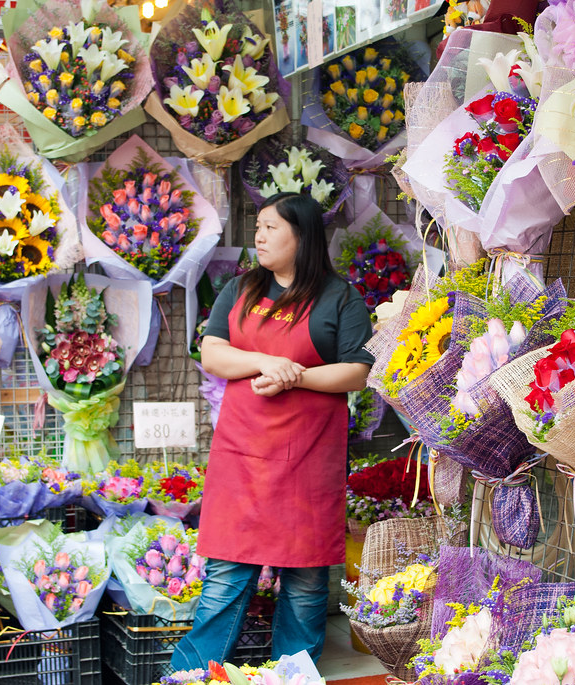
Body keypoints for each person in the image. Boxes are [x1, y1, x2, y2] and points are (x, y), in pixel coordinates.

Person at [171, 192, 374, 668]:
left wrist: (296, 376)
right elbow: (213, 352)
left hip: (307, 460)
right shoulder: (240, 289)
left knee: (305, 585)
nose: (259, 237)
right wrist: (268, 361)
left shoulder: (338, 297)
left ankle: (294, 677)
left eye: (271, 228)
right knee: (225, 578)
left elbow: (359, 371)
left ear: (301, 237)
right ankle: (193, 676)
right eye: (258, 227)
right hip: (241, 457)